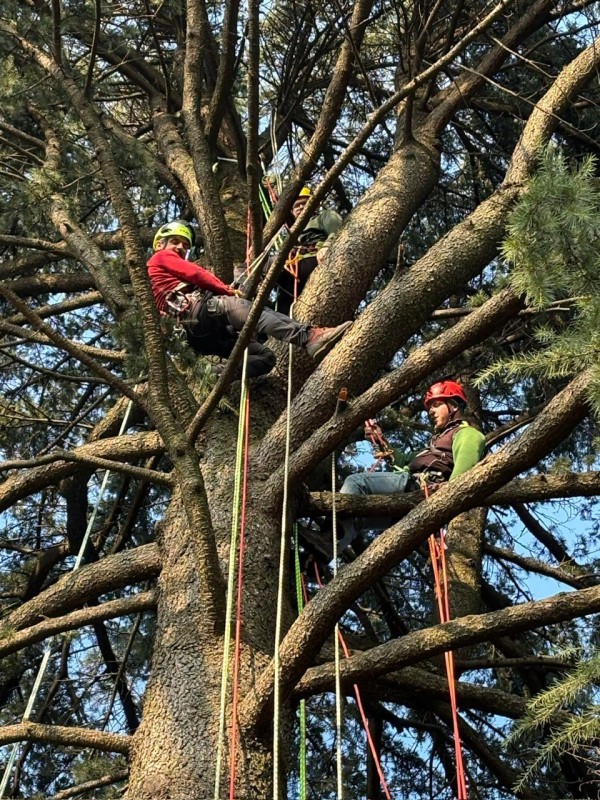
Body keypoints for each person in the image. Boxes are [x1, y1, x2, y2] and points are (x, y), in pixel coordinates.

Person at [147, 220, 352, 378]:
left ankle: (216, 374)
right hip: (201, 312)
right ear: (159, 244)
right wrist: (226, 290)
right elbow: (197, 274)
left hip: (200, 337)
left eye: (184, 245)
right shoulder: (160, 258)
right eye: (175, 242)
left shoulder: (158, 280)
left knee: (266, 357)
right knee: (255, 312)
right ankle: (309, 337)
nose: (180, 248)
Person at [337, 381, 486, 550]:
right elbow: (402, 461)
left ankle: (331, 530)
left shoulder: (467, 434)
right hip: (413, 497)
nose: (430, 411)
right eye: (430, 407)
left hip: (420, 488)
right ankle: (323, 549)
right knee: (358, 520)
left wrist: (446, 496)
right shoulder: (433, 448)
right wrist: (381, 440)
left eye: (436, 405)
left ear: (453, 406)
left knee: (356, 483)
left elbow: (463, 474)